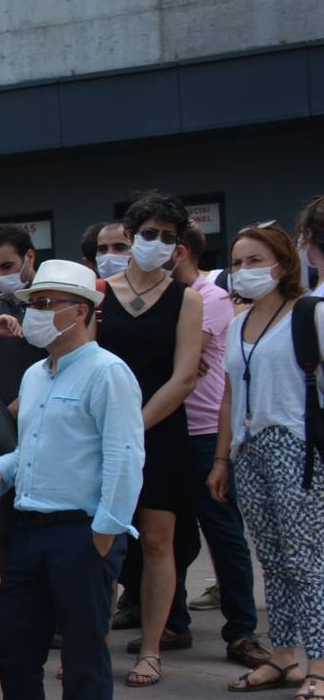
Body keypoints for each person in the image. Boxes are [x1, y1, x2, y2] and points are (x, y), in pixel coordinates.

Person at [0, 260, 144, 700]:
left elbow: (124, 456)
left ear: (82, 312)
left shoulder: (108, 372)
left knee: (82, 651)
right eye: (34, 303)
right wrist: (3, 467)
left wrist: (106, 531)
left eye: (49, 303)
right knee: (14, 643)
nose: (36, 313)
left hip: (81, 532)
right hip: (30, 528)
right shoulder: (35, 373)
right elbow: (38, 445)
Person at [211, 224, 324, 700]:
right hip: (249, 449)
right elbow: (230, 392)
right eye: (237, 262)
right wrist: (222, 457)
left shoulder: (309, 314)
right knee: (272, 561)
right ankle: (283, 657)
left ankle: (319, 665)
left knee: (306, 562)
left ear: (282, 263)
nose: (244, 271)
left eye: (255, 260)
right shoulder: (237, 324)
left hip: (296, 445)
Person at [97, 190, 205, 689]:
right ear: (129, 236)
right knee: (98, 540)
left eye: (168, 237)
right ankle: (90, 642)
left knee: (159, 543)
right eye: (148, 234)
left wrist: (134, 428)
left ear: (179, 245)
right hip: (100, 434)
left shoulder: (188, 299)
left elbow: (184, 377)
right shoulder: (99, 292)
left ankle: (153, 648)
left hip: (158, 435)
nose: (158, 243)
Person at [145, 222, 263, 668]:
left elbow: (185, 360)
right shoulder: (157, 298)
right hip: (164, 429)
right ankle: (172, 624)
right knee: (165, 539)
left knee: (223, 533)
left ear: (179, 252)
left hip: (203, 431)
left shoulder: (210, 299)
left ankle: (242, 632)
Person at [0, 224, 47, 408]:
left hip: (44, 409)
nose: (0, 275)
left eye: (6, 266)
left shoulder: (53, 302)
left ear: (29, 257)